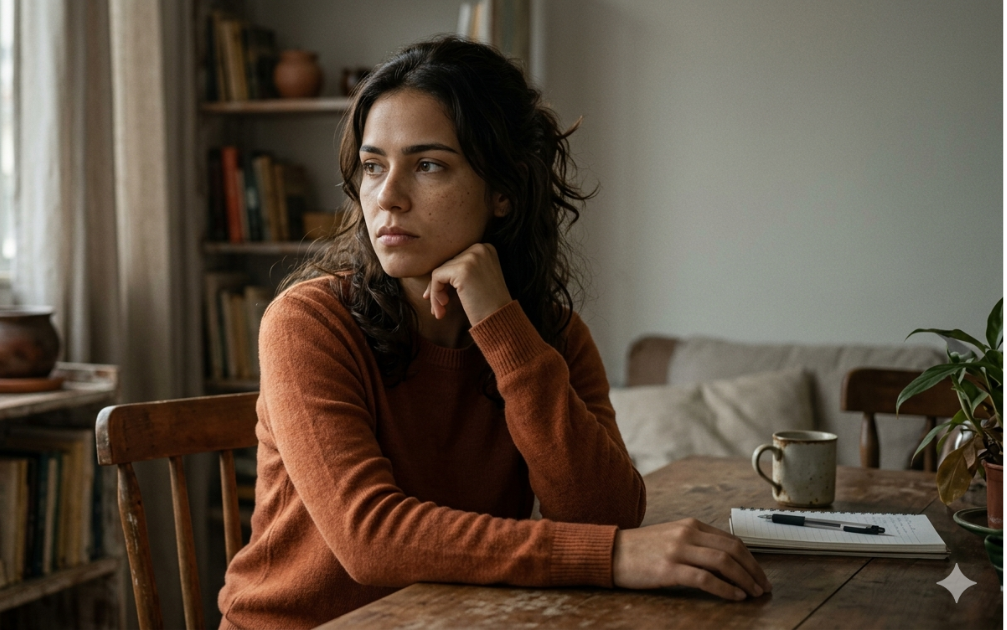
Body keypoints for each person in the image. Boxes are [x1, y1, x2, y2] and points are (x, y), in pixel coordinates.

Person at [217, 36, 770, 630]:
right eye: (374, 166)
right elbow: (369, 538)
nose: (388, 197)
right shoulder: (307, 323)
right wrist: (608, 557)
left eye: (428, 165)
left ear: (502, 191)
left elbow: (601, 511)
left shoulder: (550, 335)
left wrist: (503, 327)